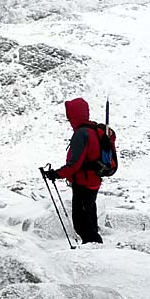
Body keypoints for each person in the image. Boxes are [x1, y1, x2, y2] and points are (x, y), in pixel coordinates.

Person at [44, 97, 103, 244]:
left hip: (83, 183)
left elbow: (74, 164)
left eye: (70, 115)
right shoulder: (93, 130)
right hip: (93, 181)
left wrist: (56, 174)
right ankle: (94, 248)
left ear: (74, 115)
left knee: (81, 223)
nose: (68, 119)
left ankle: (96, 252)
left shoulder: (81, 133)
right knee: (89, 218)